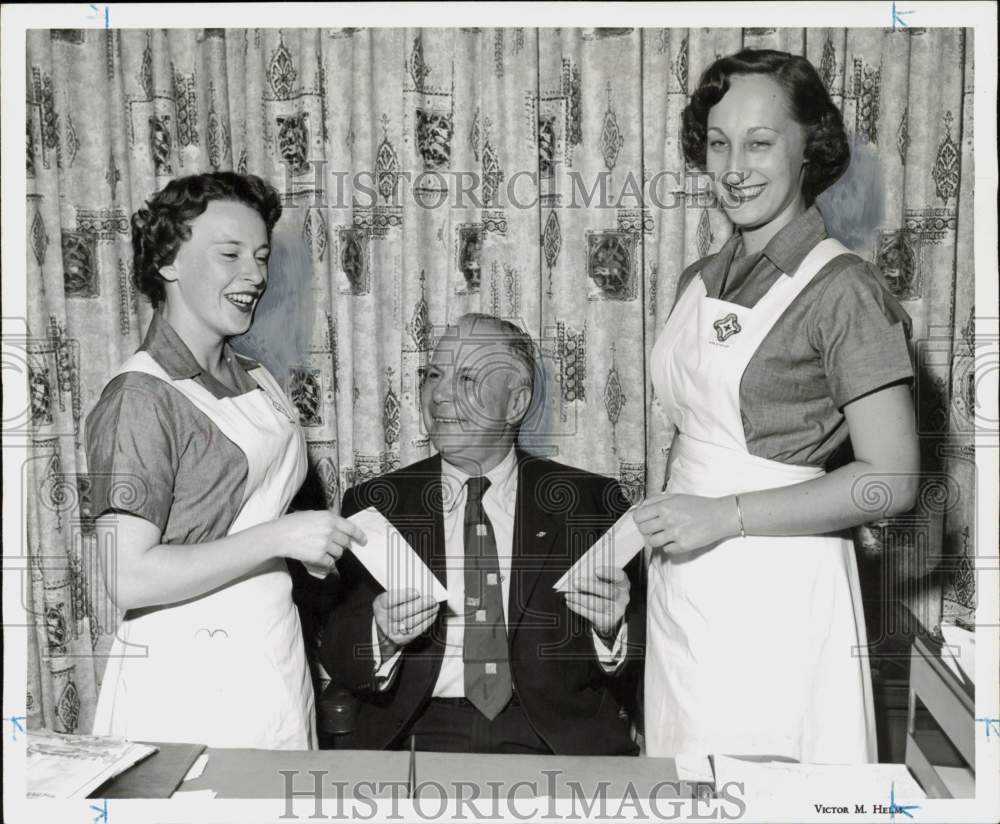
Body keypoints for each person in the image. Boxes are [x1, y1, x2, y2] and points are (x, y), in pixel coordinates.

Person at [638, 49, 919, 763]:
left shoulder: (844, 289)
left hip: (780, 597)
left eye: (760, 143)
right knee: (684, 784)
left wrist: (722, 517)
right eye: (719, 143)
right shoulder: (699, 277)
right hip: (686, 590)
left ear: (808, 150)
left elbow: (890, 480)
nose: (734, 167)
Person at [86, 172, 366, 749]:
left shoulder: (257, 378)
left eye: (261, 256)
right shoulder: (140, 396)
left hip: (273, 655)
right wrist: (278, 539)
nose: (256, 275)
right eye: (230, 254)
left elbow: (258, 514)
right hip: (187, 679)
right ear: (167, 262)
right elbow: (126, 576)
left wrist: (316, 554)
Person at [321, 313, 643, 755]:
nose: (440, 394)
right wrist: (381, 635)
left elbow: (646, 661)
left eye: (468, 377)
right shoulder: (377, 503)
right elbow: (337, 649)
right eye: (434, 374)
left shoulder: (591, 503)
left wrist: (611, 629)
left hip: (554, 737)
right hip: (419, 731)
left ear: (516, 404)